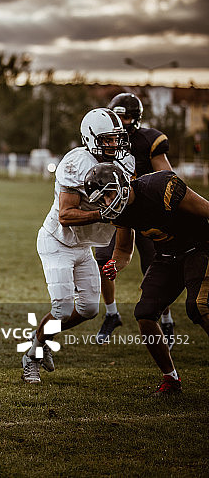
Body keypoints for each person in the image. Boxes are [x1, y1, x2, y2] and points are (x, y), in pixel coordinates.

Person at [22, 108, 134, 384]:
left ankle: (43, 339)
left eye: (116, 139)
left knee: (89, 310)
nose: (114, 145)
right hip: (57, 241)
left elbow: (127, 213)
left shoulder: (125, 163)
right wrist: (102, 214)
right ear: (91, 137)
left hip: (83, 247)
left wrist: (121, 256)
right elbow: (66, 215)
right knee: (61, 308)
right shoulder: (75, 163)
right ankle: (31, 355)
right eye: (107, 139)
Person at [84, 163, 209, 394]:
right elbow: (123, 250)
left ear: (120, 184)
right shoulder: (120, 212)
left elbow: (207, 210)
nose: (106, 203)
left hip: (199, 247)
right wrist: (115, 265)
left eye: (107, 195)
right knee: (144, 313)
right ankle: (171, 379)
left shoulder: (161, 186)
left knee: (198, 306)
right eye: (101, 200)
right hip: (166, 256)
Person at [94, 93, 175, 346]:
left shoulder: (147, 140)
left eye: (124, 116)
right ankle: (111, 314)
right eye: (116, 115)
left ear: (135, 118)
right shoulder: (105, 140)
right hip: (120, 211)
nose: (120, 121)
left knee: (155, 265)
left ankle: (167, 320)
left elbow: (168, 178)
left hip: (148, 211)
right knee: (105, 259)